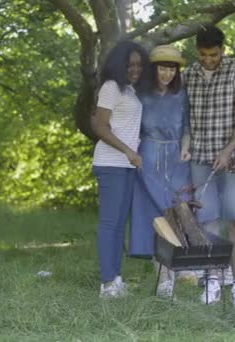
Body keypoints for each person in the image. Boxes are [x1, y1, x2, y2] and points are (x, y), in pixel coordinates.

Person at [183, 25, 235, 309]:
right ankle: (213, 280)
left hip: (232, 160)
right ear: (197, 51)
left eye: (213, 54)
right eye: (203, 54)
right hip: (200, 158)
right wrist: (185, 145)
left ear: (222, 50)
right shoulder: (188, 75)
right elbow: (185, 119)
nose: (208, 59)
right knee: (207, 222)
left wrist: (227, 151)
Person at [129, 45, 192, 297]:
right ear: (154, 69)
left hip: (177, 159)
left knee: (176, 214)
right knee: (153, 217)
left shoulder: (182, 94)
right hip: (148, 157)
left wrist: (186, 149)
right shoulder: (140, 94)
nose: (167, 74)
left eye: (171, 69)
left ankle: (171, 277)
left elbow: (187, 127)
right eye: (162, 68)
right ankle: (162, 279)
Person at [91, 40, 151, 299]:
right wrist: (128, 150)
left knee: (118, 226)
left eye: (139, 65)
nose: (135, 69)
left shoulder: (129, 91)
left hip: (126, 166)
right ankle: (107, 283)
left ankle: (115, 279)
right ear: (120, 64)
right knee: (110, 224)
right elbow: (100, 127)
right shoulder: (111, 87)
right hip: (111, 164)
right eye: (130, 65)